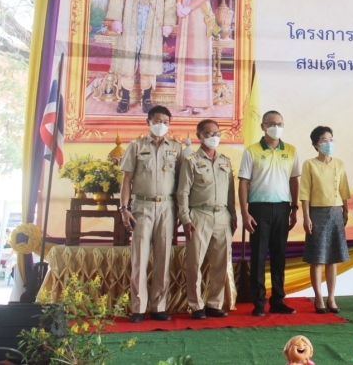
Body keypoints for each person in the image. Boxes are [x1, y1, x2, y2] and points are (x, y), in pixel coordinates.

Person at [118, 105, 183, 322]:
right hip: (142, 206)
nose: (161, 125)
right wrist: (124, 208)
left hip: (167, 206)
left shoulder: (176, 148)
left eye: (165, 121)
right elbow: (126, 180)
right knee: (140, 257)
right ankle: (138, 307)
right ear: (148, 122)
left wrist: (182, 211)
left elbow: (182, 182)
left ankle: (158, 306)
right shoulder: (136, 146)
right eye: (157, 121)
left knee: (163, 257)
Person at [105, 0, 177, 114]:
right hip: (131, 17)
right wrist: (116, 18)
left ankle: (147, 98)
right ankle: (124, 98)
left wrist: (168, 22)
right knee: (128, 56)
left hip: (153, 20)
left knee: (149, 57)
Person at [238, 110, 300, 316]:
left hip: (282, 207)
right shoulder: (251, 151)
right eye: (272, 124)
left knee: (279, 255)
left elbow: (294, 180)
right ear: (263, 126)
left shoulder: (291, 150)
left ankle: (278, 300)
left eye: (280, 124)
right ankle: (258, 302)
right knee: (258, 255)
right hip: (259, 208)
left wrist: (294, 208)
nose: (276, 127)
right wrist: (245, 213)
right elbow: (244, 183)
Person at [177, 119, 237, 319]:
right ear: (199, 136)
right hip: (199, 214)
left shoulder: (225, 161)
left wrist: (233, 216)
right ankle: (196, 305)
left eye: (217, 133)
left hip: (222, 215)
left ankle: (214, 303)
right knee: (195, 262)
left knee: (221, 262)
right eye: (209, 134)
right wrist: (185, 218)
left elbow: (231, 192)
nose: (214, 137)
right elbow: (183, 192)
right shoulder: (191, 161)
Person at [300, 126, 350, 314]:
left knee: (332, 258)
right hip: (317, 213)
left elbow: (344, 189)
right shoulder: (309, 164)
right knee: (317, 258)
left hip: (336, 212)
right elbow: (304, 193)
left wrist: (345, 209)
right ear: (316, 144)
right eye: (324, 140)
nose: (328, 143)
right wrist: (306, 216)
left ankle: (331, 297)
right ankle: (319, 297)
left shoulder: (339, 163)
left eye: (331, 139)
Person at [174, 0, 219, 115]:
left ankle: (199, 101)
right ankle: (186, 100)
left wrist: (189, 7)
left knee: (198, 54)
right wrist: (179, 5)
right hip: (184, 14)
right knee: (184, 54)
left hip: (200, 13)